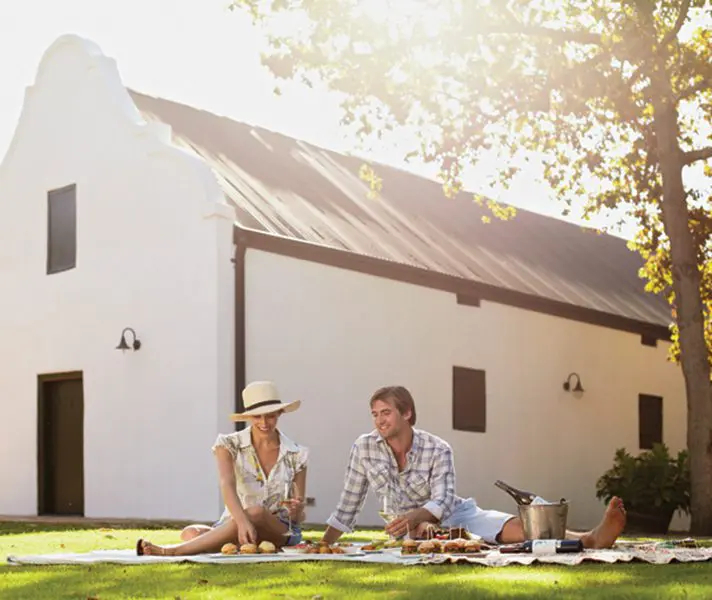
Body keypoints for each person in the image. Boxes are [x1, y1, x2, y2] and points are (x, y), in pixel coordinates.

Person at [321, 385, 626, 547]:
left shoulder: (438, 448)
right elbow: (349, 504)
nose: (379, 421)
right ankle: (449, 539)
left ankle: (589, 538)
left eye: (385, 412)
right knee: (425, 531)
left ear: (407, 413)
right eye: (374, 414)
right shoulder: (364, 448)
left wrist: (415, 516)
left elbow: (441, 500)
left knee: (520, 529)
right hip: (410, 529)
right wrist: (322, 546)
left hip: (457, 513)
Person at [137, 381, 308, 556]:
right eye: (257, 416)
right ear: (249, 416)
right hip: (236, 523)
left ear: (280, 413)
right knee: (190, 532)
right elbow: (227, 483)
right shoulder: (228, 444)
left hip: (280, 530)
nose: (264, 422)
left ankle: (171, 552)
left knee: (256, 512)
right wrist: (241, 521)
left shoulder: (296, 454)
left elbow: (298, 516)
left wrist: (297, 511)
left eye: (270, 416)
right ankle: (242, 541)